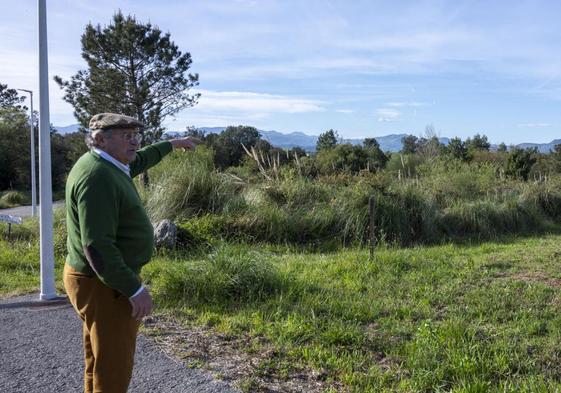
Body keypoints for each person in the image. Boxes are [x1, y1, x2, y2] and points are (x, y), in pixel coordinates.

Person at [63, 113, 200, 393]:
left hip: (96, 279)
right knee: (114, 364)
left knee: (99, 358)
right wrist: (134, 289)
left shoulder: (107, 162)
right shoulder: (98, 177)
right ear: (100, 139)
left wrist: (173, 143)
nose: (135, 142)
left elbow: (142, 158)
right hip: (104, 284)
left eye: (136, 135)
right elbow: (97, 247)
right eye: (126, 136)